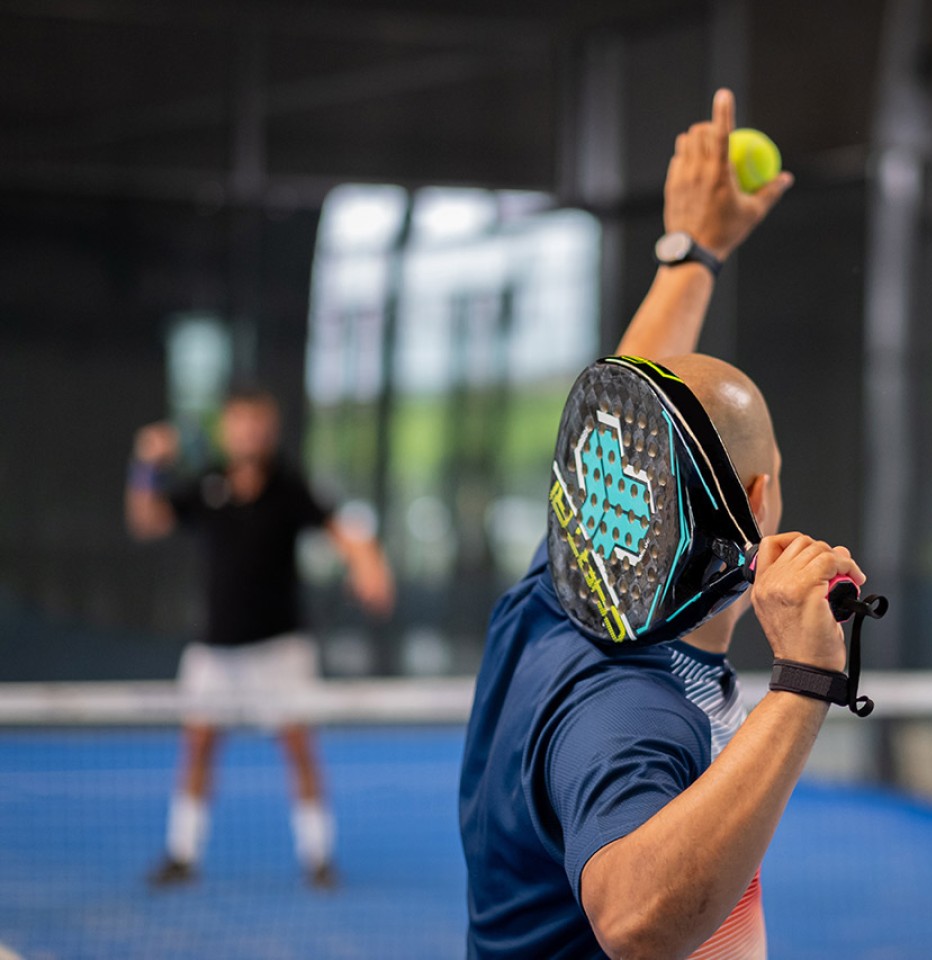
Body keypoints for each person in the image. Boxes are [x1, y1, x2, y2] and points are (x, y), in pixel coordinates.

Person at [460, 89, 865, 959]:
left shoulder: (558, 591)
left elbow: (628, 416)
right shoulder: (633, 707)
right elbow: (634, 919)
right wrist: (803, 683)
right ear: (759, 496)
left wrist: (693, 252)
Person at [126, 385, 393, 889]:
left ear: (270, 428)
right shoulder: (205, 485)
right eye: (240, 421)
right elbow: (147, 519)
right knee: (198, 747)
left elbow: (344, 533)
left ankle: (317, 856)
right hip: (214, 650)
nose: (249, 431)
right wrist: (146, 465)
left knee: (299, 748)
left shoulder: (290, 488)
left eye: (258, 421)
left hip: (280, 649)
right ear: (226, 428)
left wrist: (368, 565)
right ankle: (182, 853)